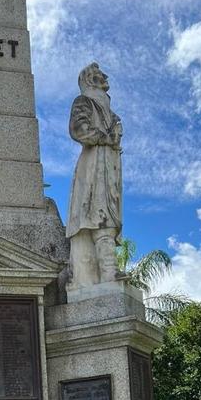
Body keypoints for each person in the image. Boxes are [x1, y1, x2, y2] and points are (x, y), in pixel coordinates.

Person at [67, 62, 123, 287]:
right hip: (93, 165)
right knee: (98, 213)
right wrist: (106, 137)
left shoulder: (112, 113)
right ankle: (108, 274)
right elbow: (79, 130)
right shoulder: (84, 101)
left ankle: (109, 273)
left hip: (111, 165)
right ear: (90, 79)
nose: (105, 76)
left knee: (108, 213)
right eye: (100, 74)